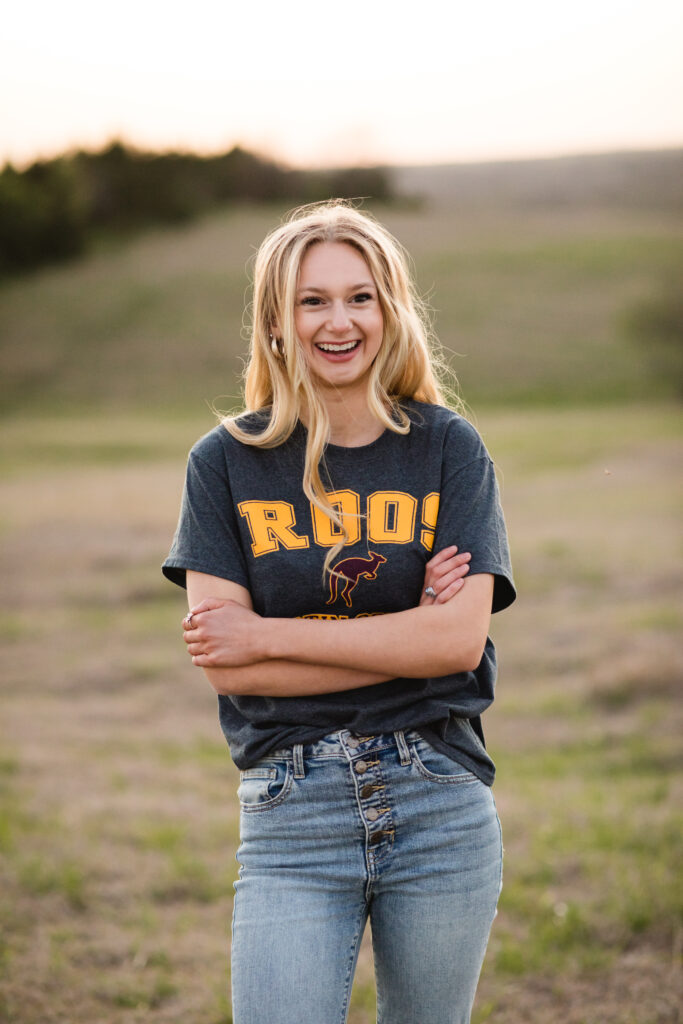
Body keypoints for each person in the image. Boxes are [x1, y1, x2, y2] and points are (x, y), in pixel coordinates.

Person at [162, 201, 515, 1024]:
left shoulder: (446, 448)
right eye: (312, 300)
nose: (338, 320)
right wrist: (408, 636)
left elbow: (459, 641)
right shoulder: (224, 463)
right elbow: (220, 658)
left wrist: (266, 635)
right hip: (292, 809)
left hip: (437, 796)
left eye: (359, 296)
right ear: (276, 321)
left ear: (389, 310)